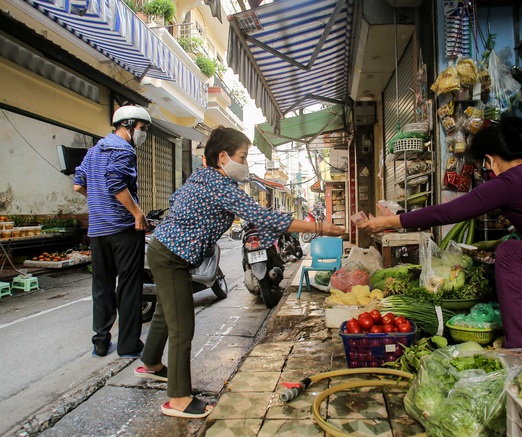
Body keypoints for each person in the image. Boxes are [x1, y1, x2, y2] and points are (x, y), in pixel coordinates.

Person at [357, 116, 522, 348]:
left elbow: (448, 212)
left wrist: (387, 222)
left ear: (489, 160)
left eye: (483, 166)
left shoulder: (510, 181)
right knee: (512, 245)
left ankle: (520, 350)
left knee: (512, 253)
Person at [134, 127, 345, 418]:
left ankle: (151, 363)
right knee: (182, 324)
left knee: (165, 312)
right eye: (243, 157)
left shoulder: (203, 177)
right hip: (171, 257)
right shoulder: (220, 186)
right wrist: (319, 227)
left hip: (164, 250)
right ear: (223, 157)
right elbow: (263, 217)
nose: (246, 164)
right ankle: (178, 400)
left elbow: (175, 204)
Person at [73, 105, 151, 358]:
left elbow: (78, 185)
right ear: (127, 125)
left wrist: (99, 202)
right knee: (129, 285)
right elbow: (116, 183)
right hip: (123, 229)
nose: (143, 134)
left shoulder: (94, 151)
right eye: (142, 128)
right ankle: (128, 345)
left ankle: (100, 341)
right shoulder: (123, 150)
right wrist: (137, 213)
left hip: (98, 230)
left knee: (102, 285)